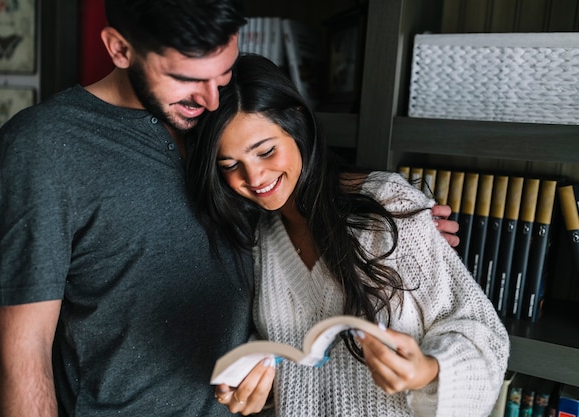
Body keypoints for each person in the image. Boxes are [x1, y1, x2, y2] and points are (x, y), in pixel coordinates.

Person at [0, 2, 459, 416]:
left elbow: (284, 174)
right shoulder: (43, 148)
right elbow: (21, 355)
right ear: (119, 49)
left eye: (224, 73)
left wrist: (387, 214)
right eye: (187, 79)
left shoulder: (212, 116)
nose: (211, 99)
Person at [186, 54, 510, 417]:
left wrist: (428, 371)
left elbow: (482, 332)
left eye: (266, 151)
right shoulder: (258, 236)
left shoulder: (386, 203)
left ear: (297, 123)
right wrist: (254, 383)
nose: (255, 177)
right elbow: (293, 362)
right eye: (230, 165)